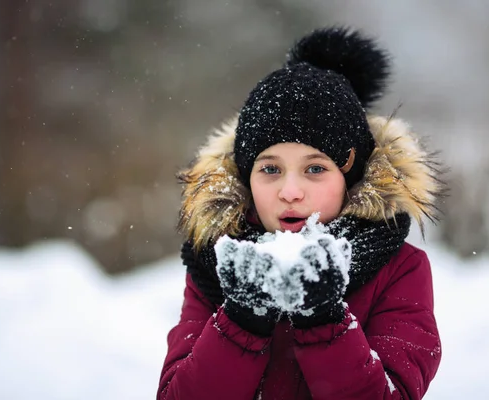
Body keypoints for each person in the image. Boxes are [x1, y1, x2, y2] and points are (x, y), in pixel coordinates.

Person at [158, 27, 444, 400]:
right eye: (270, 169)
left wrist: (325, 320)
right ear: (246, 177)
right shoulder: (215, 263)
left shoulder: (399, 268)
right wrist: (240, 320)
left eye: (315, 169)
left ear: (350, 176)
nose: (290, 192)